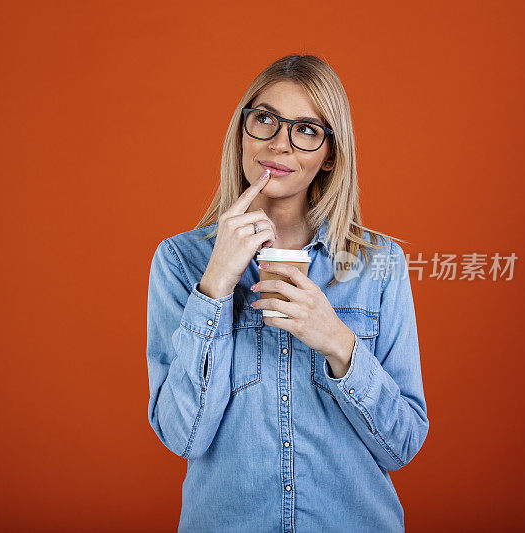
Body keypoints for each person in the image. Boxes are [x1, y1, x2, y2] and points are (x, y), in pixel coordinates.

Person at [145, 54, 428, 532]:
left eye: (306, 130)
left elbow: (401, 444)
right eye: (266, 120)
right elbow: (183, 435)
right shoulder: (180, 261)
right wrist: (215, 286)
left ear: (330, 154)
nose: (280, 144)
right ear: (242, 129)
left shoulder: (378, 262)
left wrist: (336, 338)